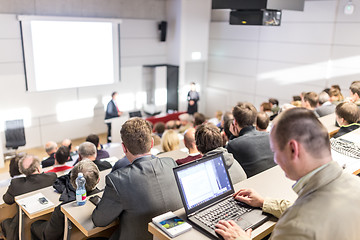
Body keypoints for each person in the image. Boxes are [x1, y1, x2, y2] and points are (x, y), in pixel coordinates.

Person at [215, 107, 360, 240]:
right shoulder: (355, 183)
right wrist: (264, 202)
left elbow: (305, 216)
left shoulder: (293, 227)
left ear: (293, 149)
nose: (275, 159)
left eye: (275, 151)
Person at [92, 117, 182, 240]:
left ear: (124, 148)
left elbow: (99, 221)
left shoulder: (117, 180)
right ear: (151, 143)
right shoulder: (170, 163)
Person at [31, 160, 101, 240]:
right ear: (98, 180)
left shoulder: (61, 210)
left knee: (35, 225)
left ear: (72, 181)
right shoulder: (105, 200)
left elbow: (49, 236)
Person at [1, 155, 57, 240]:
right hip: (50, 221)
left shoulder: (16, 184)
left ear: (22, 171)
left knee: (5, 222)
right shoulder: (52, 177)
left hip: (24, 227)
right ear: (38, 168)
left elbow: (7, 200)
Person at [226, 102, 275, 178]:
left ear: (235, 122)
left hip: (252, 187)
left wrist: (233, 136)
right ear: (255, 121)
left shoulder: (234, 144)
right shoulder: (270, 136)